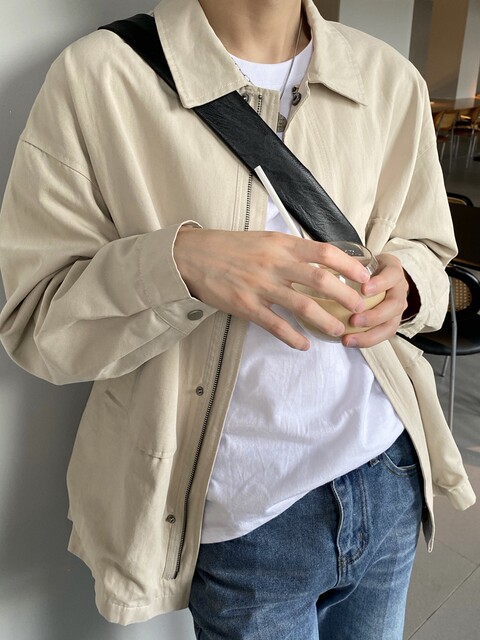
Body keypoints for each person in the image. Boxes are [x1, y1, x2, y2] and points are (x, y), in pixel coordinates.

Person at [0, 0, 475, 637]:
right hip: (244, 512)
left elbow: (427, 245)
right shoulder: (101, 77)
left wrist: (408, 284)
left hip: (386, 468)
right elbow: (37, 322)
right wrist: (180, 262)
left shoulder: (387, 77)